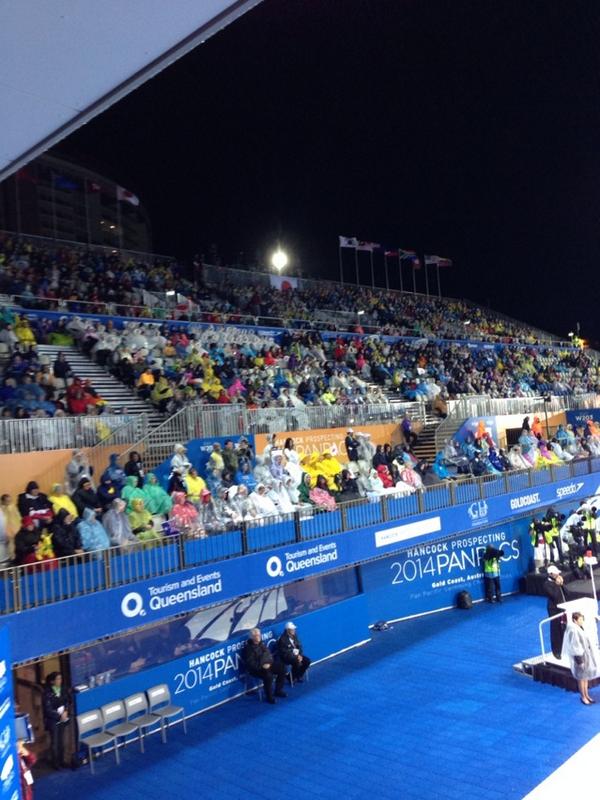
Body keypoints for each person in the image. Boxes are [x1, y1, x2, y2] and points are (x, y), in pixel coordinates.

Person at [562, 611, 599, 705]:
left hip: (586, 656)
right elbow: (575, 647)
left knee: (585, 678)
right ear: (575, 620)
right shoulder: (573, 630)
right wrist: (580, 661)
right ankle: (583, 697)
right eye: (580, 619)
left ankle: (586, 695)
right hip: (580, 658)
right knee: (581, 679)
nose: (582, 621)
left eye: (582, 619)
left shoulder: (580, 627)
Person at [242, 627, 287, 704]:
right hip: (257, 669)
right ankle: (269, 697)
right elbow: (251, 664)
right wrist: (262, 666)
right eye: (256, 635)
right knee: (268, 676)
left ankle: (278, 690)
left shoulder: (262, 644)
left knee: (282, 667)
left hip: (268, 665)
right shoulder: (248, 649)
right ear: (252, 637)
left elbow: (269, 656)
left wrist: (268, 663)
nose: (258, 636)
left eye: (259, 634)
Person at [42, 671, 70, 769]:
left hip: (63, 718)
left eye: (61, 678)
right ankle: (55, 763)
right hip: (53, 720)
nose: (60, 681)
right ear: (52, 681)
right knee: (55, 742)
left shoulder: (63, 689)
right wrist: (59, 716)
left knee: (62, 741)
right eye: (58, 679)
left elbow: (67, 701)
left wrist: (66, 711)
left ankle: (62, 760)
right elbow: (47, 709)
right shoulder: (47, 693)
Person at [545, 565, 567, 659]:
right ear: (551, 574)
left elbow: (567, 593)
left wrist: (562, 585)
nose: (558, 574)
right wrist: (557, 585)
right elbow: (555, 596)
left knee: (564, 629)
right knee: (556, 631)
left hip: (563, 608)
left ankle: (564, 648)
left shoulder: (558, 582)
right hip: (554, 610)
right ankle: (556, 652)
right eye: (556, 573)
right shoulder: (546, 584)